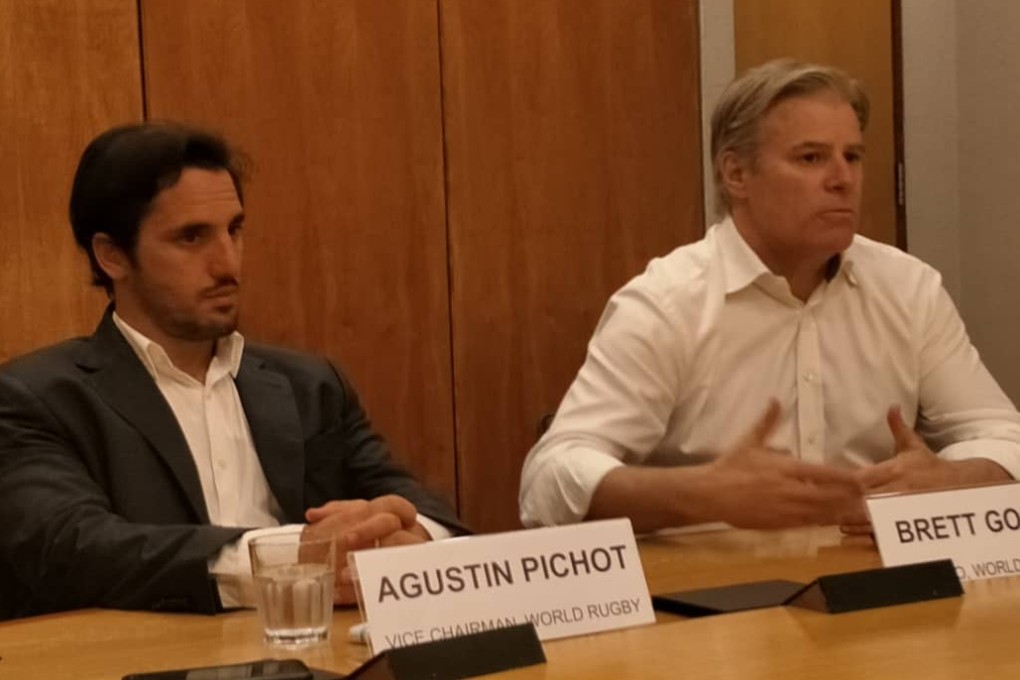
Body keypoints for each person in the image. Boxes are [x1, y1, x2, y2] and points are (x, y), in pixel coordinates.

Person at [519, 59, 1020, 533]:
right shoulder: (667, 303)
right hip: (718, 583)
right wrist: (700, 494)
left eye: (853, 157)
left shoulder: (908, 289)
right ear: (736, 175)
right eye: (811, 158)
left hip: (873, 572)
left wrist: (951, 479)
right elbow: (547, 480)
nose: (842, 179)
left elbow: (1005, 438)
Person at [0, 122, 465, 620]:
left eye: (235, 230)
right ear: (112, 256)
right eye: (192, 237)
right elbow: (76, 551)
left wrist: (407, 538)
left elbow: (423, 510)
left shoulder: (309, 386)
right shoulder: (35, 398)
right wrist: (293, 557)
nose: (227, 264)